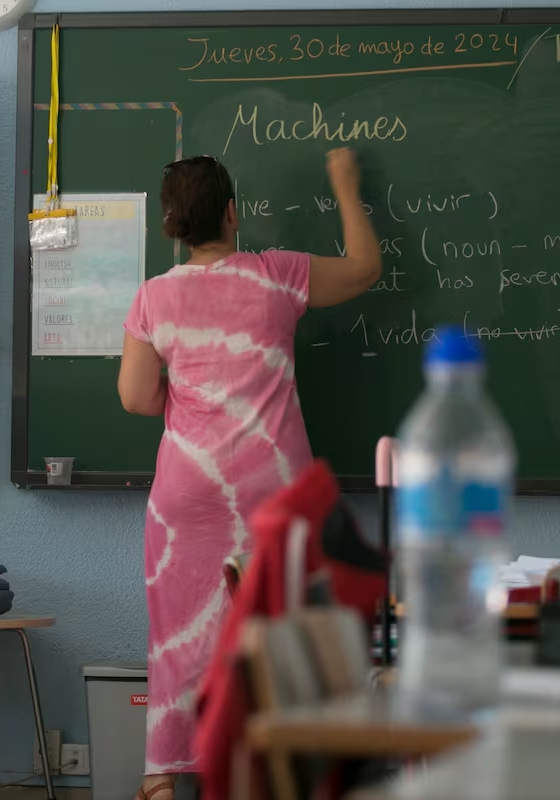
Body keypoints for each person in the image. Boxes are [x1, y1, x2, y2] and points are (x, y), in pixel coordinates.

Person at [117, 147, 381, 800]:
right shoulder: (277, 276)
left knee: (179, 642)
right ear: (232, 214)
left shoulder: (153, 297)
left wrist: (184, 397)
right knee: (284, 638)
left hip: (187, 492)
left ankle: (162, 777)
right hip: (274, 491)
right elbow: (365, 269)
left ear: (171, 224)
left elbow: (136, 397)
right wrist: (346, 185)